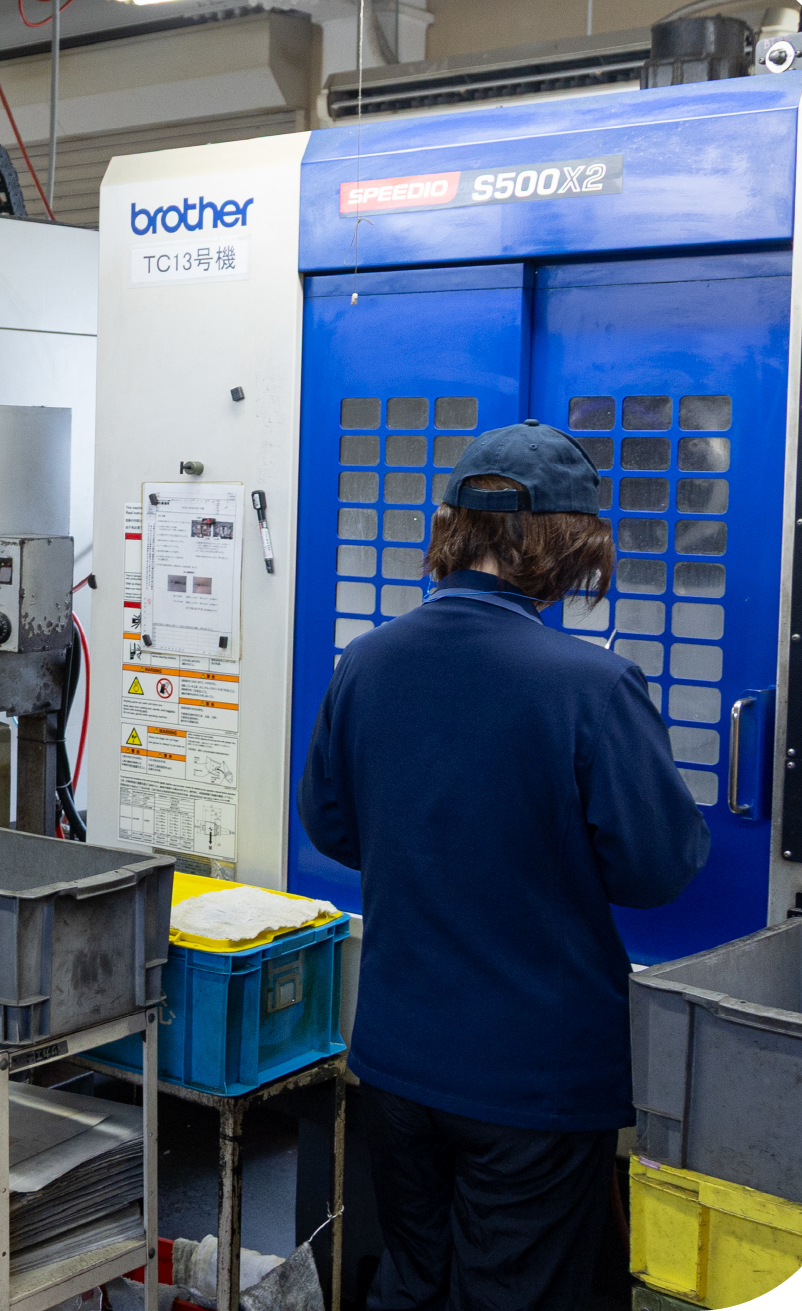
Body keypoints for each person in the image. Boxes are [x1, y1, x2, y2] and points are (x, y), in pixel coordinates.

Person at [296, 420, 709, 1310]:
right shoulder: (590, 686)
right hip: (533, 1079)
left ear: (450, 525)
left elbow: (328, 823)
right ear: (569, 545)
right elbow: (655, 868)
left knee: (411, 1280)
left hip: (398, 1062)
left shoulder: (364, 663)